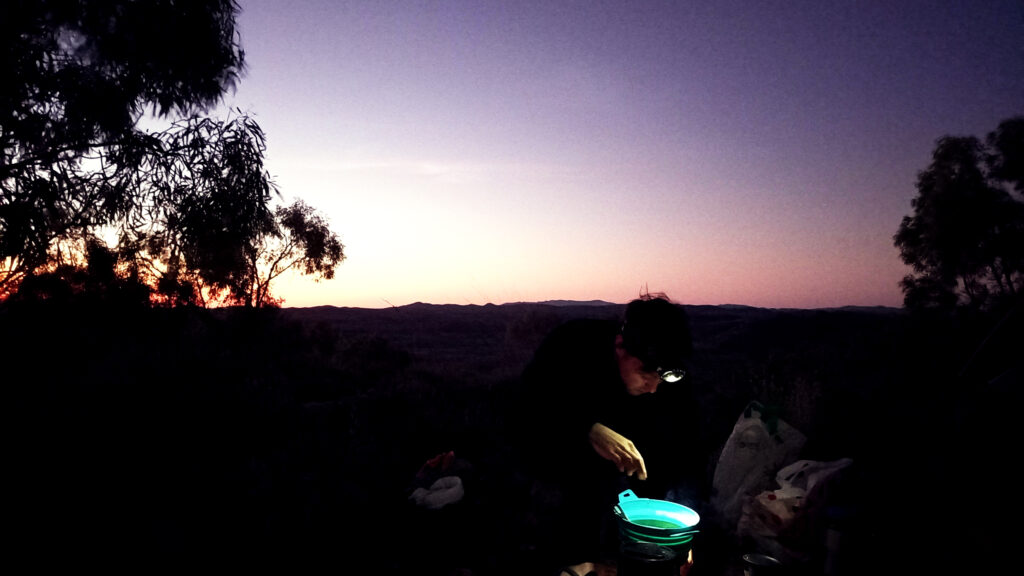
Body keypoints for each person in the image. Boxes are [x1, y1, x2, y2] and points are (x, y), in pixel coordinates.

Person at [509, 294, 703, 576]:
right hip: (558, 465)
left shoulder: (670, 377)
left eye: (661, 378)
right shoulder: (573, 344)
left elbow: (685, 450)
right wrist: (587, 427)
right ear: (620, 347)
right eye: (646, 373)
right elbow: (525, 409)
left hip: (628, 485)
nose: (653, 387)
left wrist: (681, 530)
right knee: (564, 517)